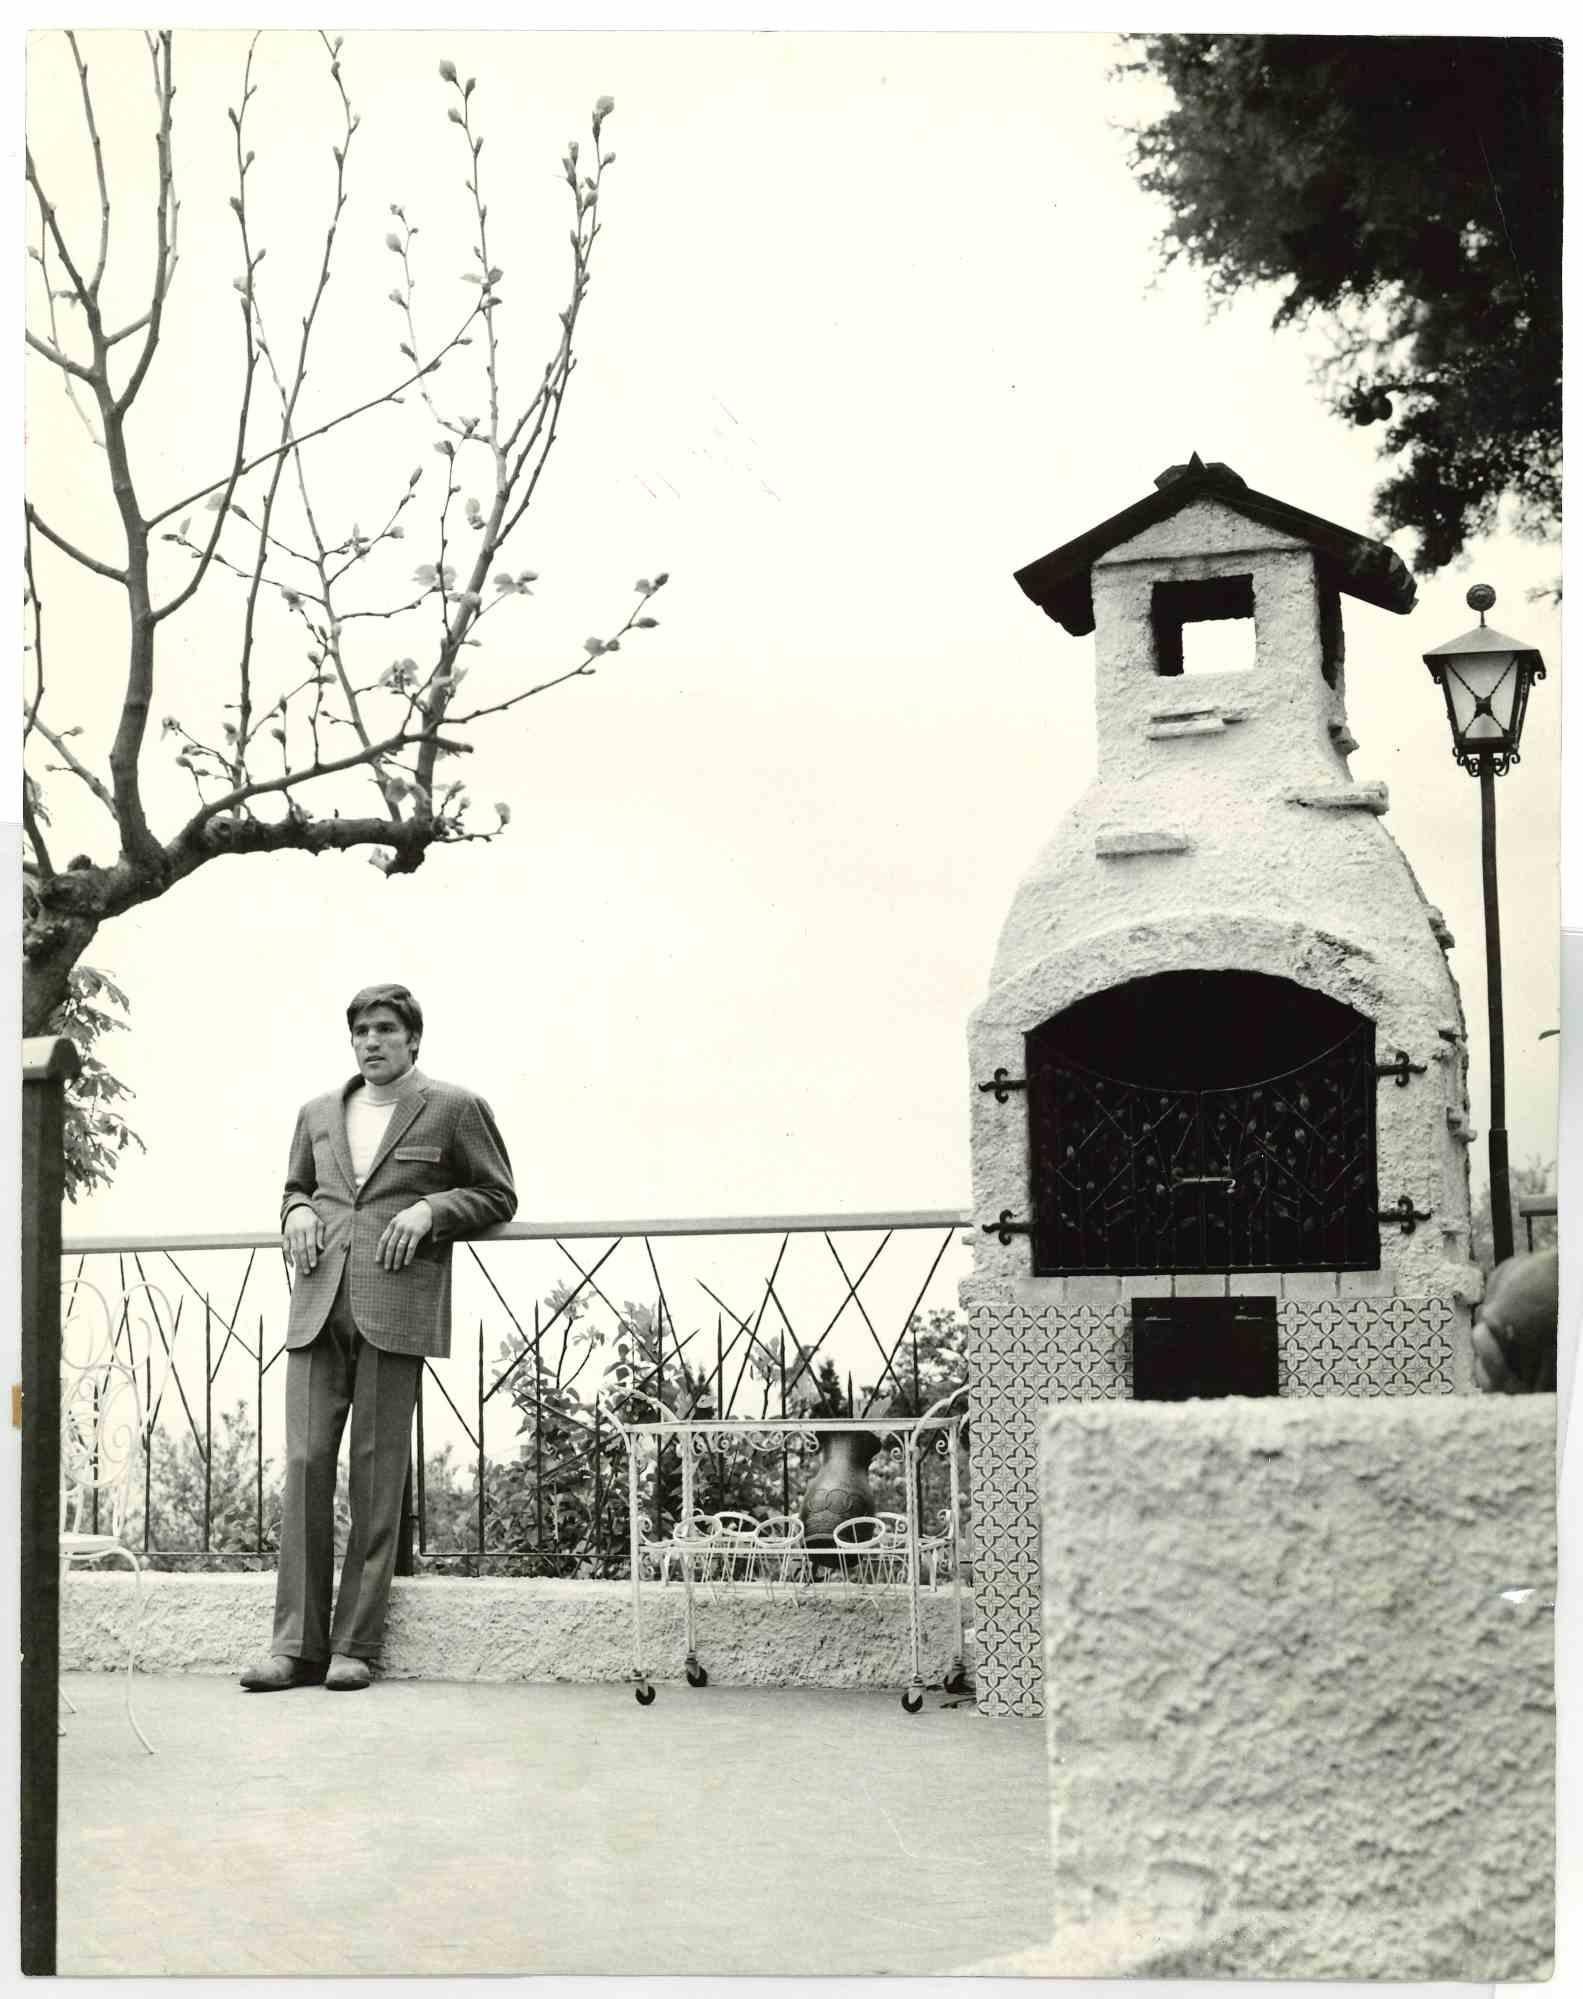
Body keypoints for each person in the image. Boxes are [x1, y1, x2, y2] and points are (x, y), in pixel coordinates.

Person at [241, 983, 516, 1692]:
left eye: (386, 1029)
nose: (372, 1040)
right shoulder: (316, 1113)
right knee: (305, 1462)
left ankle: (353, 1646)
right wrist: (296, 1210)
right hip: (316, 1304)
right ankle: (294, 1646)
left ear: (413, 1039)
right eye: (362, 1030)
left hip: (396, 1309)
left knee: (375, 1473)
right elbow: (294, 1188)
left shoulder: (454, 1107)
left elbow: (498, 1193)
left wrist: (431, 1209)